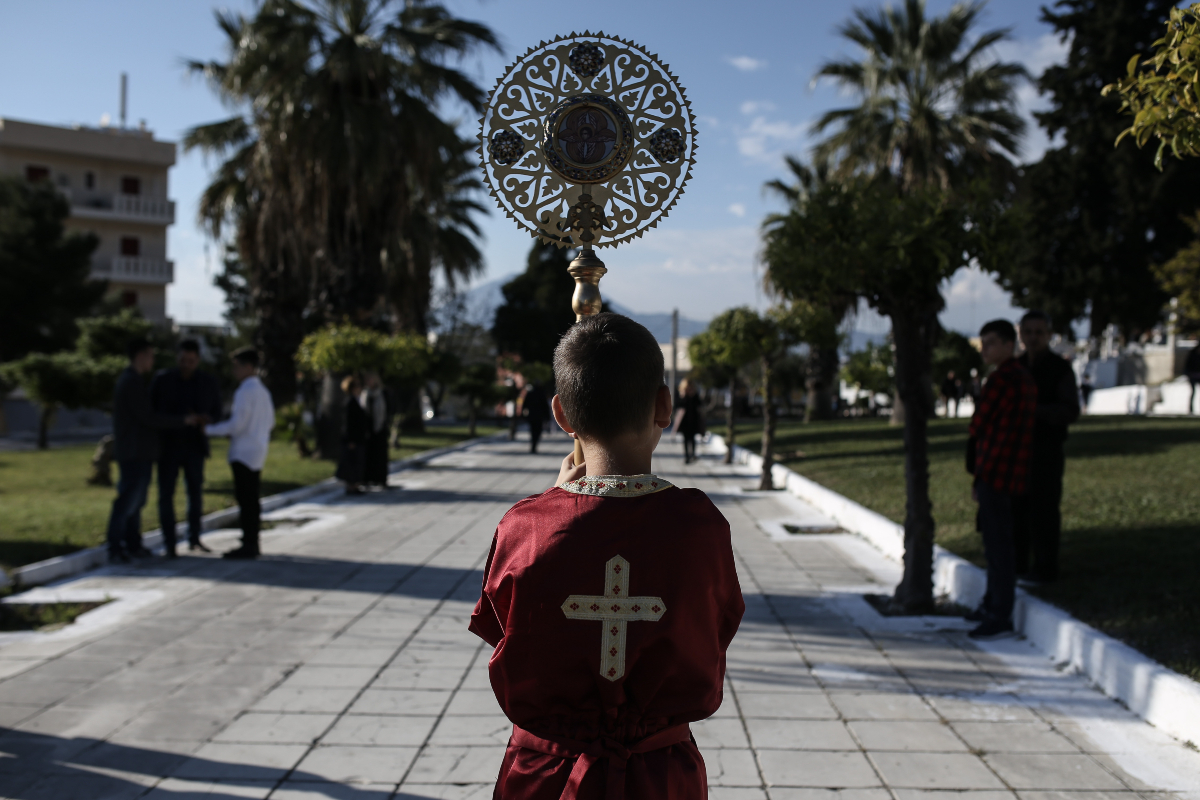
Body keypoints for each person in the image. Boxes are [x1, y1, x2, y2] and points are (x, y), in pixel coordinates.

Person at [469, 313, 745, 800]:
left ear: (560, 414)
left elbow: (503, 629)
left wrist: (552, 507)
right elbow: (716, 628)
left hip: (546, 776)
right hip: (658, 777)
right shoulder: (700, 527)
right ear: (664, 405)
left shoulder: (524, 528)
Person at [965, 319, 1036, 640]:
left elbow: (979, 425)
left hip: (996, 469)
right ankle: (992, 601)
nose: (985, 349)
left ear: (1009, 344)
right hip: (1014, 470)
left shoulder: (1001, 381)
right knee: (1001, 541)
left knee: (998, 544)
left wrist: (979, 473)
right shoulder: (1025, 379)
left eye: (991, 343)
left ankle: (999, 611)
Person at [106, 338, 201, 564]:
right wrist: (183, 421)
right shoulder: (130, 382)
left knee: (137, 503)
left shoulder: (136, 381)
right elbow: (148, 417)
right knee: (127, 501)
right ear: (140, 355)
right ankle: (115, 547)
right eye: (150, 355)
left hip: (142, 452)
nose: (153, 360)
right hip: (134, 452)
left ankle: (133, 544)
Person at [1014, 311, 1080, 584]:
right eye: (1028, 332)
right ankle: (1018, 566)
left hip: (1046, 450)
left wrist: (1034, 412)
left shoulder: (1059, 369)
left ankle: (1045, 568)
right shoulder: (1016, 367)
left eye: (1039, 332)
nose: (1033, 337)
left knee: (1044, 511)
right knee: (1018, 510)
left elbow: (1069, 409)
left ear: (1049, 335)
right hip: (1018, 453)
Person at [151, 339, 223, 557]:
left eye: (191, 361)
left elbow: (217, 412)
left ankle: (194, 538)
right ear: (177, 358)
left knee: (195, 493)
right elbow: (152, 413)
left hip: (195, 446)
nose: (186, 364)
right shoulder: (163, 380)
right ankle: (170, 543)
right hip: (168, 446)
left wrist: (206, 419)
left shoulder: (207, 382)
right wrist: (182, 420)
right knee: (166, 495)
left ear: (197, 360)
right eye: (183, 360)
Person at [205, 348, 275, 559]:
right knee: (252, 498)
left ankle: (249, 543)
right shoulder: (263, 392)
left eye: (237, 365)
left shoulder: (245, 391)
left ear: (249, 367)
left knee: (246, 499)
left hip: (243, 451)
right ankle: (252, 541)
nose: (234, 370)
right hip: (258, 450)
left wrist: (209, 430)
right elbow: (270, 422)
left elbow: (237, 425)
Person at [336, 375, 369, 495]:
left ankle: (355, 485)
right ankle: (351, 486)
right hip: (352, 439)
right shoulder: (350, 402)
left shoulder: (356, 400)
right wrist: (351, 440)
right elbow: (348, 423)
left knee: (356, 462)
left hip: (358, 438)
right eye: (357, 386)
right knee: (352, 462)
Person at [362, 371, 390, 488]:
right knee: (368, 456)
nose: (369, 382)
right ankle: (368, 479)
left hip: (380, 428)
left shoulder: (382, 393)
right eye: (367, 380)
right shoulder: (365, 394)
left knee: (380, 456)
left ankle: (381, 480)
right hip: (368, 429)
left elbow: (385, 410)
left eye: (371, 379)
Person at [672, 378, 704, 463]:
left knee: (692, 438)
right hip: (684, 421)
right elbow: (678, 406)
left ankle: (693, 454)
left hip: (694, 420)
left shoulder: (695, 396)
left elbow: (699, 405)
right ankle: (687, 456)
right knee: (686, 439)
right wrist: (683, 396)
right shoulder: (682, 396)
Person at [521, 381, 550, 453]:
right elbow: (545, 406)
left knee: (533, 431)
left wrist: (523, 414)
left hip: (532, 416)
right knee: (537, 431)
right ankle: (534, 445)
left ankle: (533, 445)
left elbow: (524, 405)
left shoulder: (530, 393)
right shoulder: (541, 393)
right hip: (539, 416)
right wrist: (547, 417)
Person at [1186, 344, 1200, 415]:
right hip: (1192, 376)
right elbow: (1188, 365)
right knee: (1193, 392)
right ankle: (1191, 409)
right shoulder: (1193, 354)